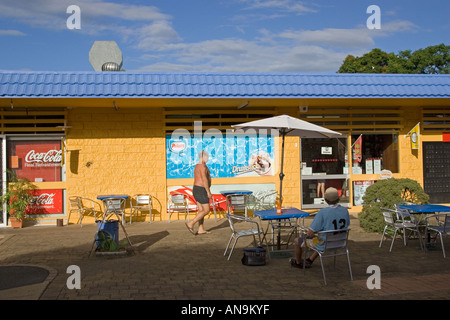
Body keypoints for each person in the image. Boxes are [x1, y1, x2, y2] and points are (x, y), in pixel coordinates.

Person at [290, 187, 350, 269]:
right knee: (323, 236)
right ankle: (310, 260)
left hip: (324, 244)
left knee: (298, 241)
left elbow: (310, 232)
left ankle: (298, 263)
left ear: (325, 199)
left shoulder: (323, 212)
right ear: (338, 198)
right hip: (340, 242)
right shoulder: (345, 210)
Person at [186, 150, 212, 235]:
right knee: (206, 210)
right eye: (207, 157)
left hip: (197, 189)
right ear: (203, 157)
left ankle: (201, 229)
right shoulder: (202, 167)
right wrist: (208, 191)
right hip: (201, 189)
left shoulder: (198, 166)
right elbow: (204, 179)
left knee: (201, 210)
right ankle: (191, 223)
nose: (208, 158)